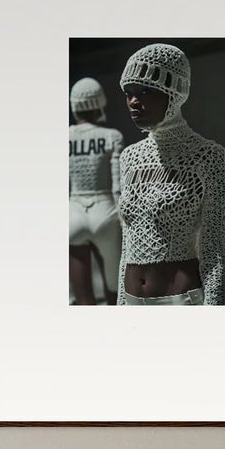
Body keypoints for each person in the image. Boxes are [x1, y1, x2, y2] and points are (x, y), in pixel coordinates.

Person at [115, 43, 225, 307]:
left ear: (175, 92)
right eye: (128, 92)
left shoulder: (209, 156)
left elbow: (213, 250)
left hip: (179, 300)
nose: (134, 101)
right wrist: (120, 302)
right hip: (132, 298)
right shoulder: (129, 158)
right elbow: (127, 244)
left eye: (146, 91)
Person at [67, 76, 122, 306]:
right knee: (115, 291)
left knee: (83, 301)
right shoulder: (112, 136)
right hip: (106, 212)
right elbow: (118, 185)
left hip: (73, 213)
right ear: (99, 103)